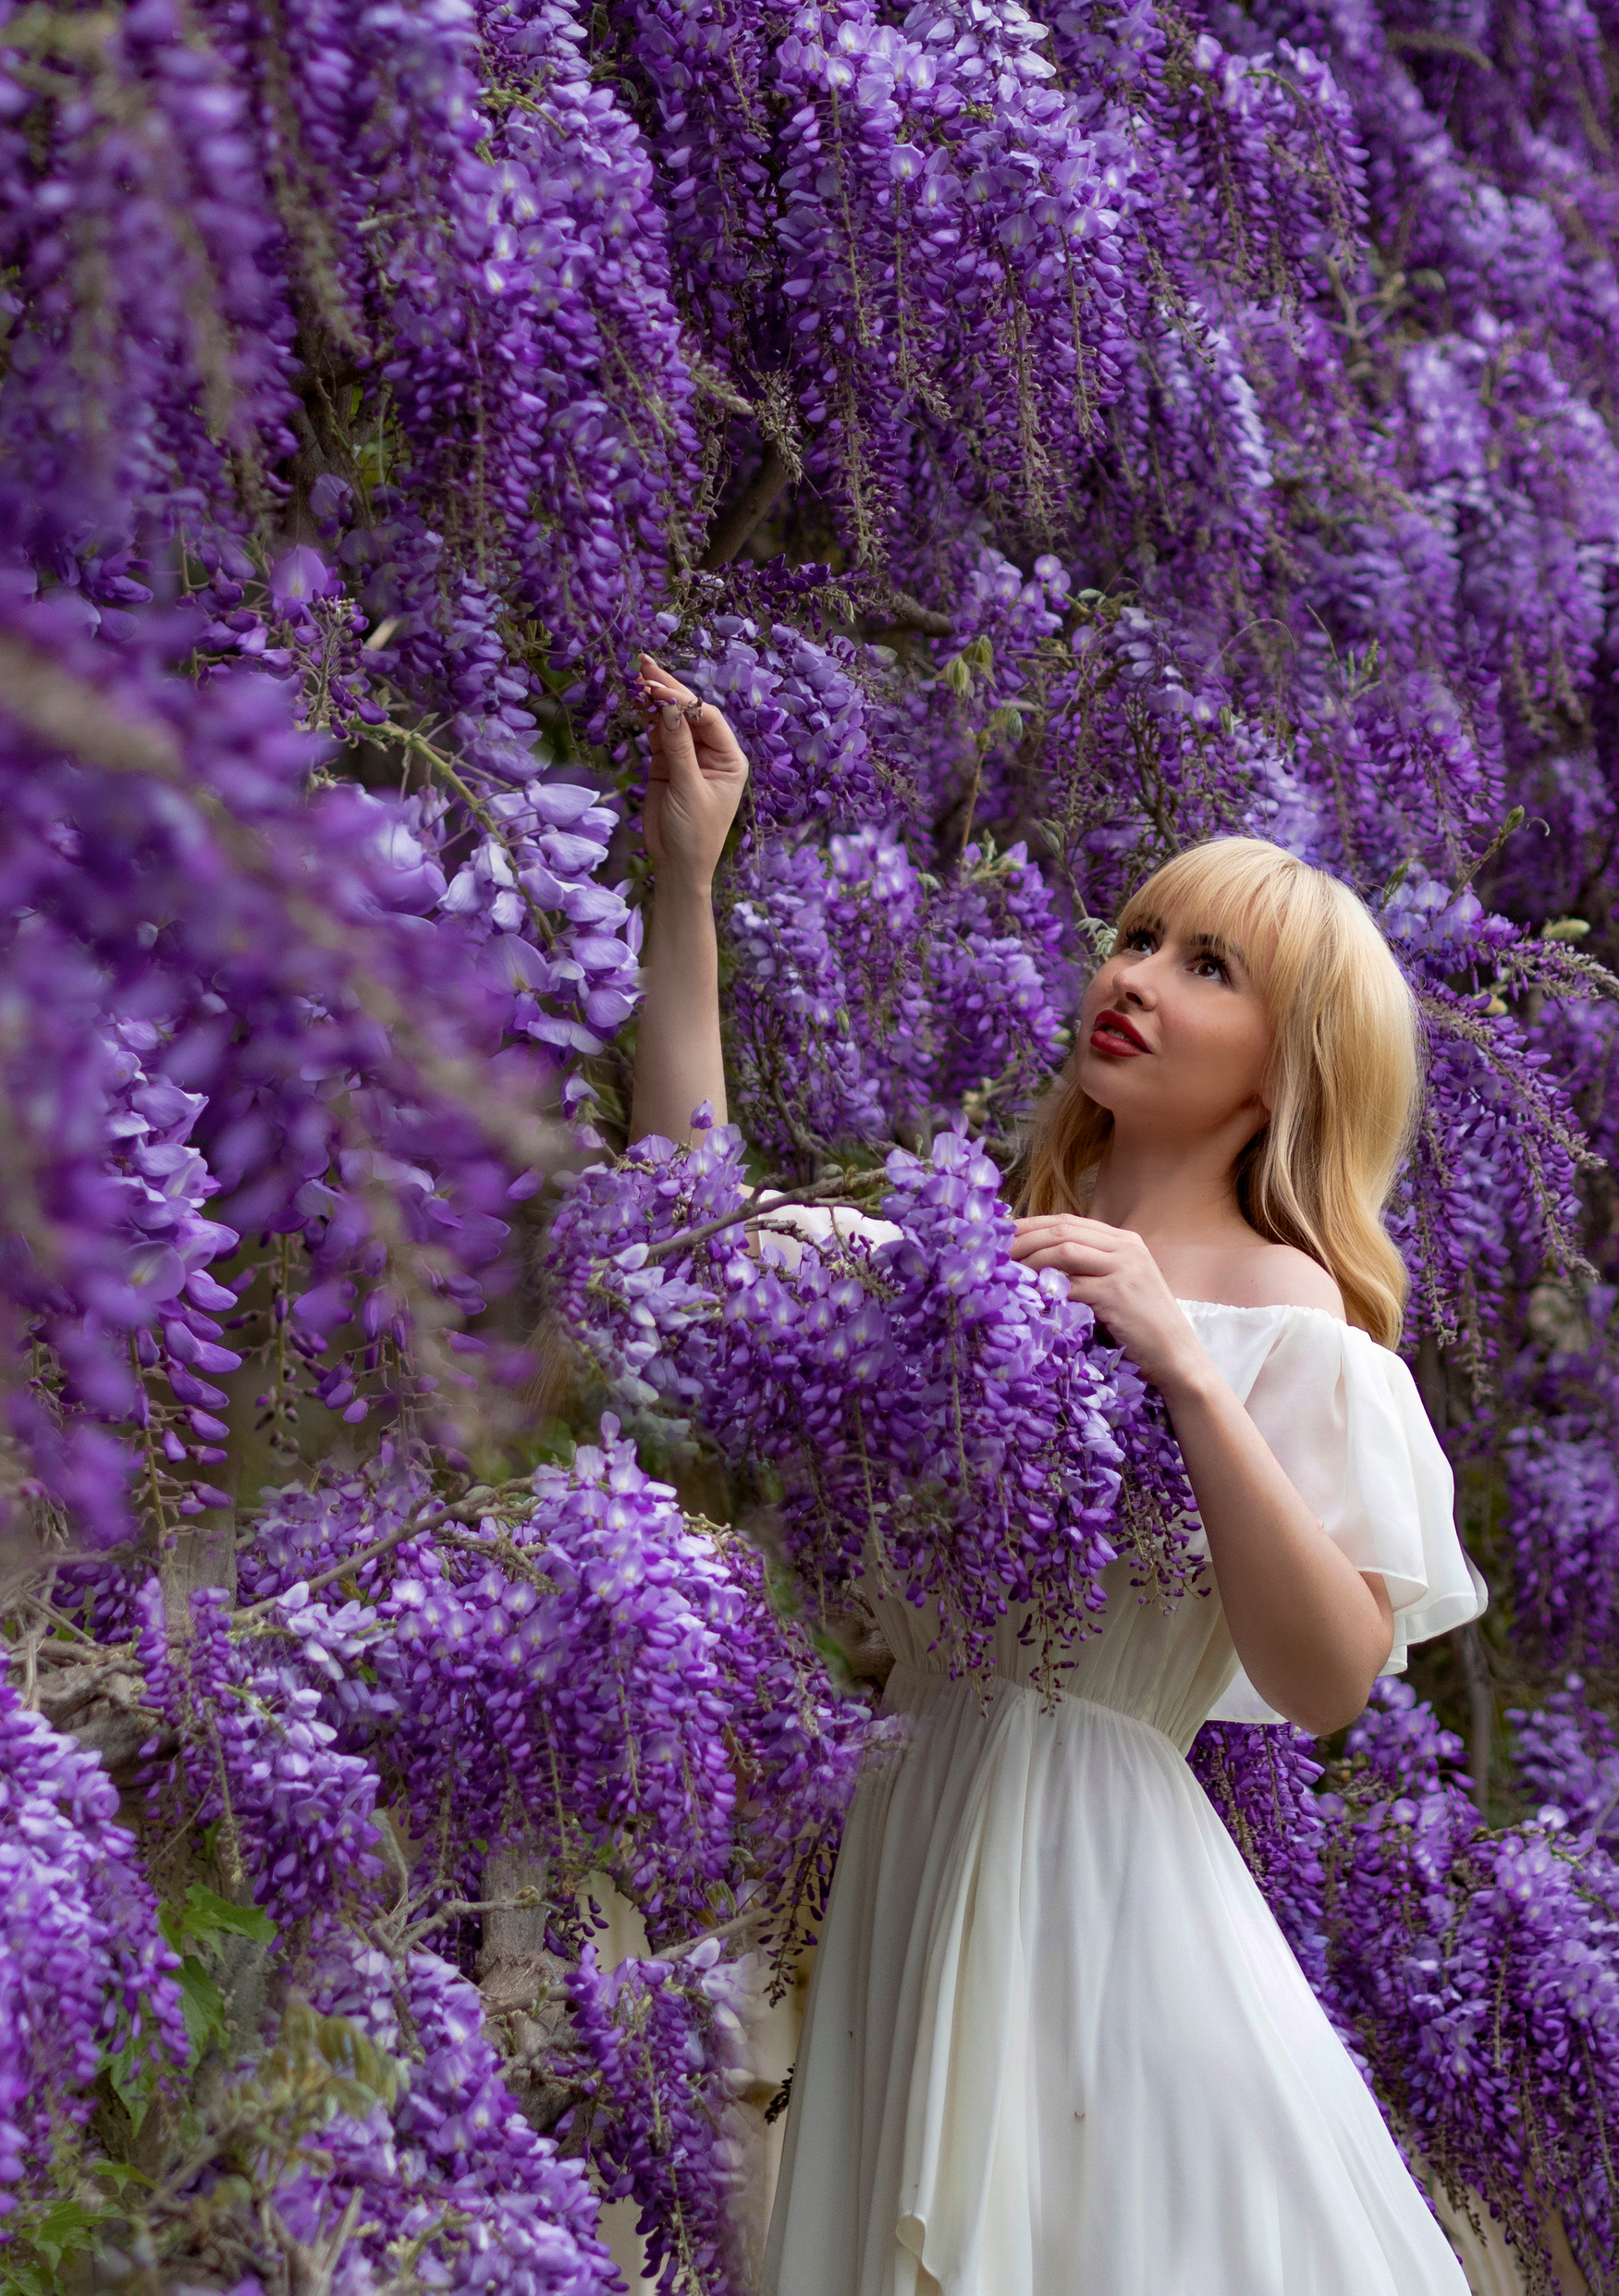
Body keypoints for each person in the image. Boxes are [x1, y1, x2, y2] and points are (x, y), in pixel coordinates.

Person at [632, 654, 1484, 2296]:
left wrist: (1181, 1367)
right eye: (1140, 934)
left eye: (1208, 964)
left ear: (1283, 1061)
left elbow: (1327, 1674)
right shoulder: (972, 1276)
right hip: (910, 1833)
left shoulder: (1301, 1332)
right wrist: (688, 880)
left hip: (1103, 1890)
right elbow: (693, 1227)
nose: (1141, 973)